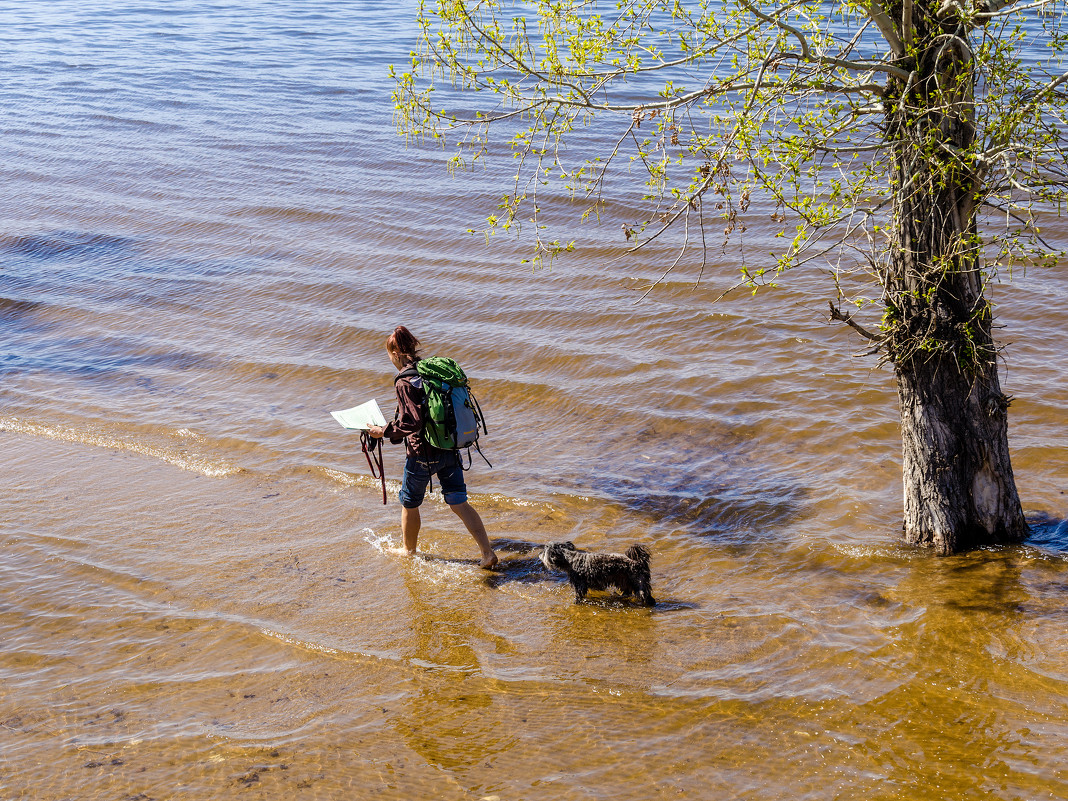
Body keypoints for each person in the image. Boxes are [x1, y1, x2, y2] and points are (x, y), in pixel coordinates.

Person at [367, 326, 499, 569]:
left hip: (422, 454)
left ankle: (408, 551)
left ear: (395, 353)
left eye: (389, 355)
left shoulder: (404, 380)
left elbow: (411, 422)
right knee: (459, 502)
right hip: (450, 448)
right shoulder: (432, 372)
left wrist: (383, 431)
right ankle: (487, 552)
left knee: (409, 502)